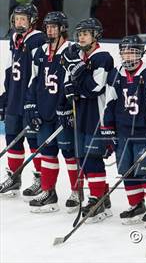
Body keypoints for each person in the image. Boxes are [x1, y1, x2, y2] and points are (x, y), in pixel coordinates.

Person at [101, 35, 146, 227]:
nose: (128, 55)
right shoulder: (116, 73)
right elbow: (110, 102)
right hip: (123, 132)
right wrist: (107, 128)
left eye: (132, 51)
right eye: (125, 51)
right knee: (126, 171)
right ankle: (136, 205)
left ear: (140, 52)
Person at [25, 11, 83, 213]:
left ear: (62, 28)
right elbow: (33, 81)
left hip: (63, 113)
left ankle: (77, 191)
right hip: (44, 110)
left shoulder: (72, 50)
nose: (49, 30)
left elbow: (74, 83)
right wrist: (30, 105)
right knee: (47, 153)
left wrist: (67, 107)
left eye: (53, 26)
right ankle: (49, 192)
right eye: (47, 26)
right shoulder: (39, 51)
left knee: (69, 153)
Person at [60, 17, 113, 223]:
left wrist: (77, 78)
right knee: (82, 156)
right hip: (80, 113)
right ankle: (102, 195)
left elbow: (94, 88)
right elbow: (68, 85)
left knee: (92, 157)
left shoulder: (103, 57)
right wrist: (72, 86)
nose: (81, 36)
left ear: (95, 35)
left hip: (97, 114)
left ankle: (97, 198)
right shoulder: (77, 55)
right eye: (79, 33)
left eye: (86, 33)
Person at [0, 4, 46, 197]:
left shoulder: (38, 40)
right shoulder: (14, 38)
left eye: (23, 19)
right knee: (12, 139)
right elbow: (10, 70)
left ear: (32, 21)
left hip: (29, 100)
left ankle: (40, 178)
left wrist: (33, 101)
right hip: (13, 99)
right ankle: (14, 177)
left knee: (34, 141)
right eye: (17, 19)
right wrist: (5, 96)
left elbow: (38, 74)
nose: (19, 22)